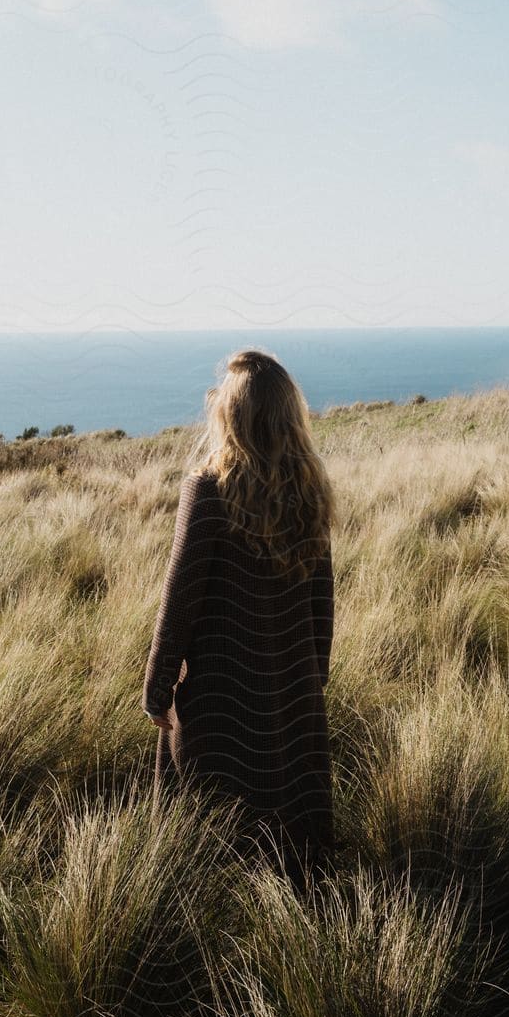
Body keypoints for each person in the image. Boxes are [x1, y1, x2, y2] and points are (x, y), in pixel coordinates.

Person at [141, 348, 336, 885]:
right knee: (292, 859)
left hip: (219, 706)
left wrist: (157, 693)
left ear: (232, 416)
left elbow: (178, 602)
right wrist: (310, 685)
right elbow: (322, 609)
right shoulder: (310, 494)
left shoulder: (207, 491)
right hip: (293, 704)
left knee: (211, 857)